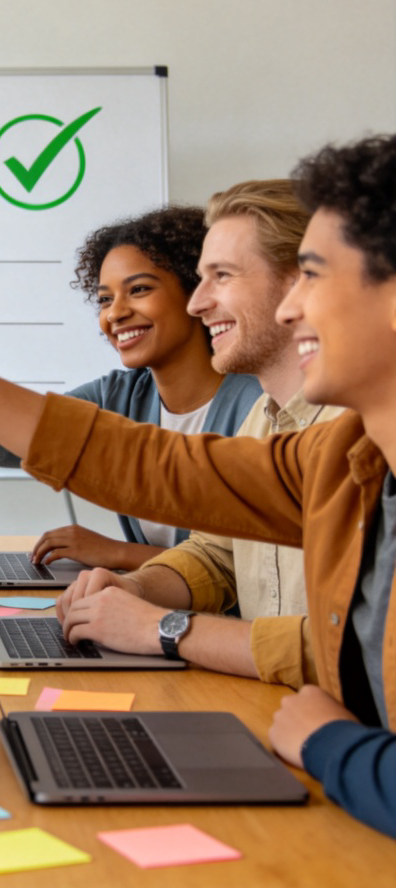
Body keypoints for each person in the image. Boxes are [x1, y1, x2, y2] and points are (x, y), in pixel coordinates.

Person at [0, 133, 396, 838]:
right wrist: (147, 588)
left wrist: (169, 629)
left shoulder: (329, 433)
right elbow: (168, 483)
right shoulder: (331, 443)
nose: (290, 310)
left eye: (314, 275)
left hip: (328, 746)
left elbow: (333, 646)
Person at [56, 180, 343, 688]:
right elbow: (218, 554)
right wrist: (136, 588)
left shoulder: (361, 432)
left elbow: (348, 648)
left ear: (301, 282)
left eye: (221, 277)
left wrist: (163, 629)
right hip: (266, 700)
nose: (197, 302)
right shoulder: (263, 417)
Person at [0, 206, 261, 569]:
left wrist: (120, 553)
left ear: (197, 293)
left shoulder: (257, 403)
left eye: (139, 289)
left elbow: (255, 571)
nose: (115, 314)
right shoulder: (120, 397)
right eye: (105, 299)